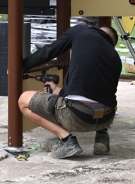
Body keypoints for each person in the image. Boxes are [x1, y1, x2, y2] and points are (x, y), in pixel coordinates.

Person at [19, 24, 121, 159]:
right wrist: (57, 90)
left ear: (96, 30)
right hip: (106, 119)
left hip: (77, 117)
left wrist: (20, 66)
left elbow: (47, 52)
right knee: (99, 100)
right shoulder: (116, 59)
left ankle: (67, 140)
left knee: (23, 100)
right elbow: (95, 92)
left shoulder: (82, 31)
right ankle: (102, 137)